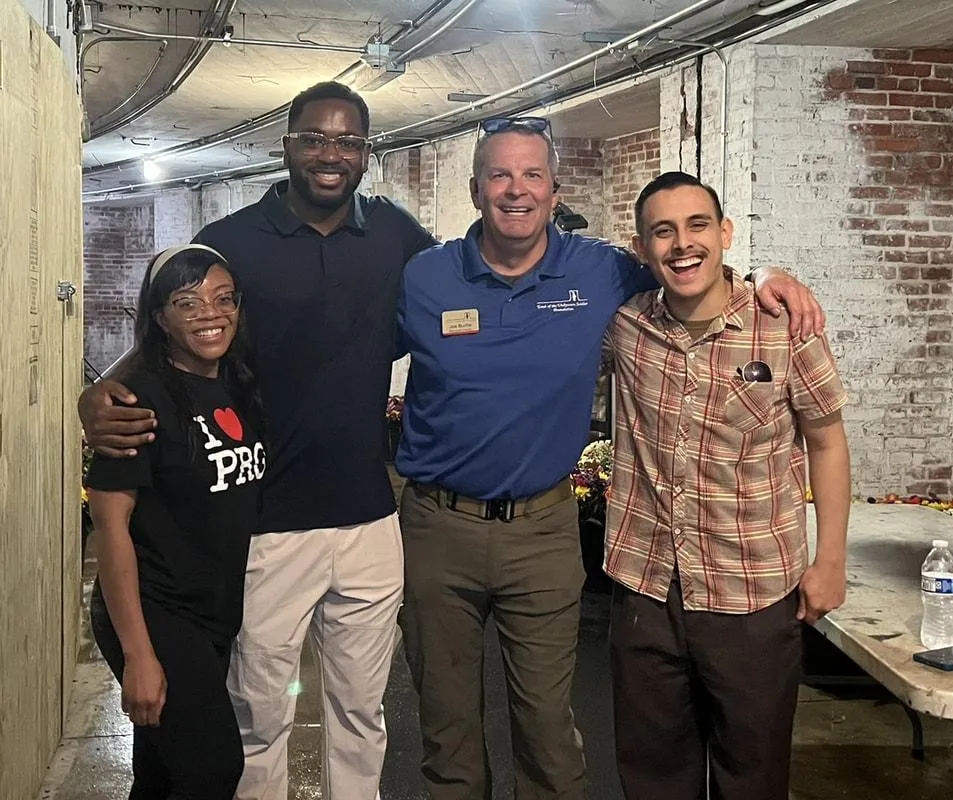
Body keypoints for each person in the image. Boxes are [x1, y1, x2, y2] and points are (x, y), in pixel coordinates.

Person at [393, 118, 825, 799]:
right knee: (446, 730)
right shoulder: (424, 276)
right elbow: (350, 356)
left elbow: (690, 267)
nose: (516, 190)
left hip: (541, 530)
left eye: (532, 174)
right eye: (499, 175)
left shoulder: (600, 272)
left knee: (546, 730)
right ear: (476, 190)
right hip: (435, 529)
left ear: (554, 189)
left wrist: (767, 274)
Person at [79, 81, 436, 800]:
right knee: (258, 717)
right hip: (269, 524)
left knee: (362, 713)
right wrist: (95, 394)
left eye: (348, 141)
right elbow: (171, 325)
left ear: (367, 151)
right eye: (315, 139)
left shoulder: (395, 234)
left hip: (370, 517)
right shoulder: (232, 241)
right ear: (287, 145)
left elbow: (464, 286)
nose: (331, 154)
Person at [604, 171, 851, 800]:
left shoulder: (785, 329)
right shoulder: (626, 326)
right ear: (641, 248)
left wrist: (830, 560)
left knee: (753, 776)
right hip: (646, 590)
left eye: (697, 226)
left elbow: (827, 443)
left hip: (752, 595)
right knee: (653, 777)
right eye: (663, 232)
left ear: (725, 233)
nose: (682, 244)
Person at [87, 244, 266, 799]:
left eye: (223, 299)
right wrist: (139, 655)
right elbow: (110, 529)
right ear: (160, 317)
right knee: (214, 769)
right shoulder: (137, 400)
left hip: (212, 613)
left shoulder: (239, 383)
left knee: (162, 776)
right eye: (188, 303)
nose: (211, 314)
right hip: (156, 611)